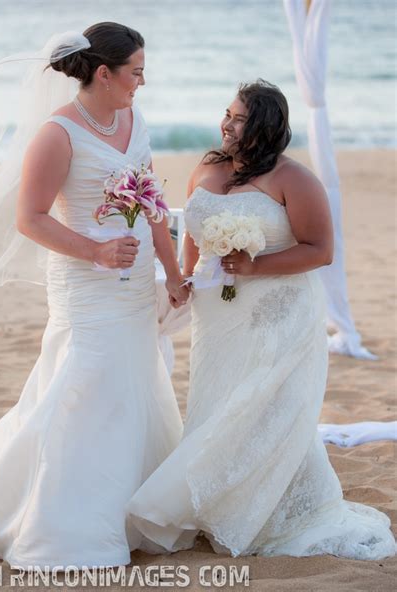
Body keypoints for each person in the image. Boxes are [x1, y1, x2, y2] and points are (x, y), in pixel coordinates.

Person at [0, 23, 189, 570]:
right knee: (84, 385)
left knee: (133, 380)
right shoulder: (57, 134)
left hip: (135, 282)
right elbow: (30, 218)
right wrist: (93, 252)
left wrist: (171, 269)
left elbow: (152, 202)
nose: (142, 81)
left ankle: (131, 502)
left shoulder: (135, 119)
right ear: (103, 73)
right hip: (86, 283)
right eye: (135, 71)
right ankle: (64, 515)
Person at [127, 80, 396, 560]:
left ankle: (265, 509)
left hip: (279, 311)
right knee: (219, 399)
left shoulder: (296, 180)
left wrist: (256, 266)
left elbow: (321, 250)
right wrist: (185, 276)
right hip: (219, 313)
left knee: (266, 404)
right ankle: (218, 502)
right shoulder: (209, 167)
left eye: (239, 118)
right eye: (226, 114)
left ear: (266, 126)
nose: (226, 125)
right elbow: (194, 228)